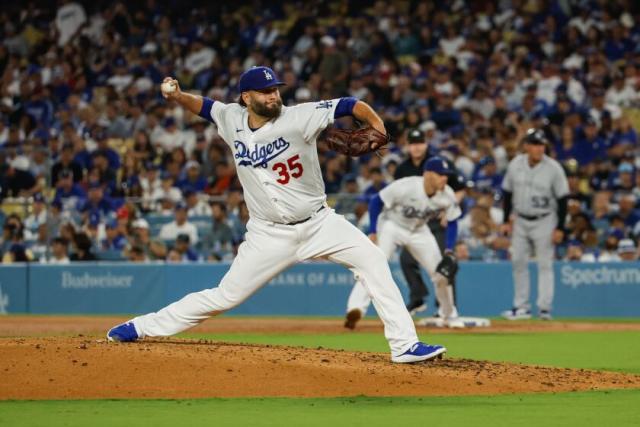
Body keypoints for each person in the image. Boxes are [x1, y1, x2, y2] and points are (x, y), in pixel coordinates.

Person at [107, 66, 446, 363]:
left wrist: (378, 125)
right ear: (246, 97)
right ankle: (141, 326)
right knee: (226, 296)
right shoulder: (232, 118)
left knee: (373, 260)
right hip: (268, 234)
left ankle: (404, 345)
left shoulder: (300, 116)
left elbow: (349, 104)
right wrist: (178, 95)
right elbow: (207, 108)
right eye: (265, 91)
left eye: (275, 90)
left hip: (319, 223)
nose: (273, 95)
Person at [344, 156, 464, 329]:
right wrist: (373, 231)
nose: (445, 178)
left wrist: (449, 250)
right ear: (428, 174)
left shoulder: (447, 194)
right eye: (441, 174)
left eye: (446, 174)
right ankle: (355, 309)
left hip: (420, 231)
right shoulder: (406, 186)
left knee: (441, 272)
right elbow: (376, 201)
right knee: (373, 264)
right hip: (392, 226)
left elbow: (453, 221)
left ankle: (449, 315)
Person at [394, 129, 466, 315]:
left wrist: (448, 209)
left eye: (419, 143)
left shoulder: (439, 163)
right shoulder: (402, 169)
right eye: (413, 143)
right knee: (406, 260)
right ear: (408, 146)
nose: (416, 147)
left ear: (426, 144)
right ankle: (417, 298)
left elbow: (460, 188)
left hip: (437, 222)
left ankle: (447, 308)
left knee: (444, 264)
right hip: (416, 224)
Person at [500, 129, 569, 320]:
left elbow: (563, 199)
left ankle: (544, 308)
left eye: (542, 144)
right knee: (518, 262)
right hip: (520, 219)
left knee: (545, 264)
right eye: (536, 144)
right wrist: (506, 220)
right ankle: (521, 307)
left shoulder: (553, 168)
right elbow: (507, 193)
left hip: (545, 220)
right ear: (527, 146)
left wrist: (561, 227)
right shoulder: (516, 164)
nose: (540, 148)